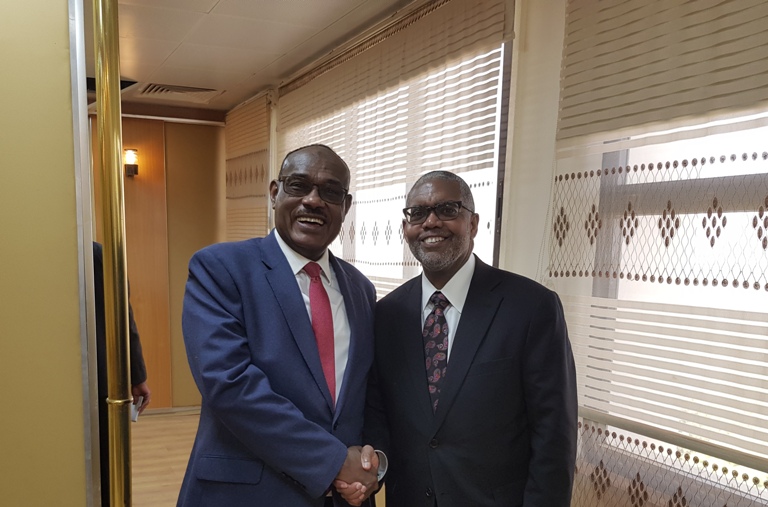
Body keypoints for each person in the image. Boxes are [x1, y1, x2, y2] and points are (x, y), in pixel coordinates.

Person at [358, 171, 578, 506]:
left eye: (447, 209)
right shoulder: (386, 314)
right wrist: (372, 468)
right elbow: (378, 415)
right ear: (405, 229)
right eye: (417, 213)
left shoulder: (531, 307)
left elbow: (553, 436)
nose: (431, 222)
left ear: (473, 224)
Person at [177, 144, 380, 507]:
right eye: (299, 185)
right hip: (247, 494)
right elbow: (229, 384)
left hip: (341, 498)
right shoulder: (221, 268)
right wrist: (333, 461)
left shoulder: (361, 289)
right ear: (275, 193)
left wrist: (368, 464)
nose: (314, 201)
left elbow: (363, 397)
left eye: (331, 192)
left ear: (345, 207)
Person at [92, 241, 151, 506]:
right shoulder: (99, 255)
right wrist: (137, 376)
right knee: (105, 468)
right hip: (102, 380)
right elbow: (123, 319)